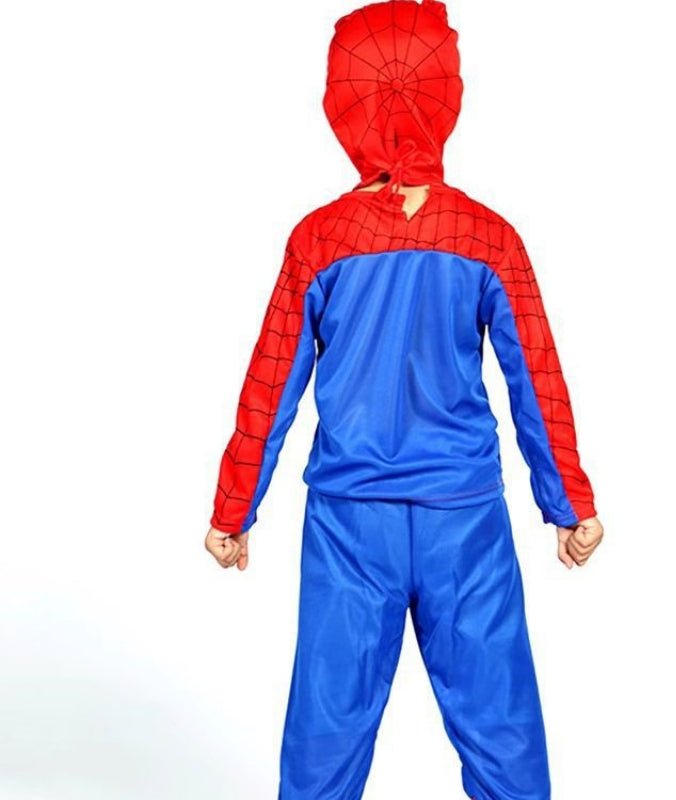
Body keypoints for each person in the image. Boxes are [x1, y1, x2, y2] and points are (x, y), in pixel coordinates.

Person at [204, 1, 604, 797]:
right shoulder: (489, 238)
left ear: (343, 106)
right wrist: (570, 503)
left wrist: (233, 509)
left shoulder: (320, 240)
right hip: (465, 520)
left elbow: (272, 382)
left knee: (325, 737)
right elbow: (536, 377)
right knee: (503, 732)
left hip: (350, 522)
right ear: (447, 97)